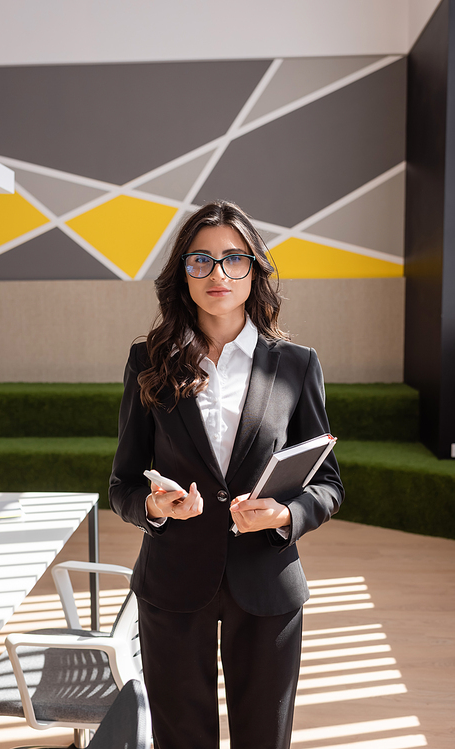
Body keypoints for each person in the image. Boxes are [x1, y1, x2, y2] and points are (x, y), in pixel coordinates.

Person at [109, 200, 344, 749]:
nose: (218, 274)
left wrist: (288, 513)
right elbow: (121, 485)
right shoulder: (148, 360)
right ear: (182, 274)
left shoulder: (296, 364)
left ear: (255, 270)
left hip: (266, 582)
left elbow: (328, 483)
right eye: (201, 260)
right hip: (172, 584)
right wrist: (152, 508)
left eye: (234, 259)